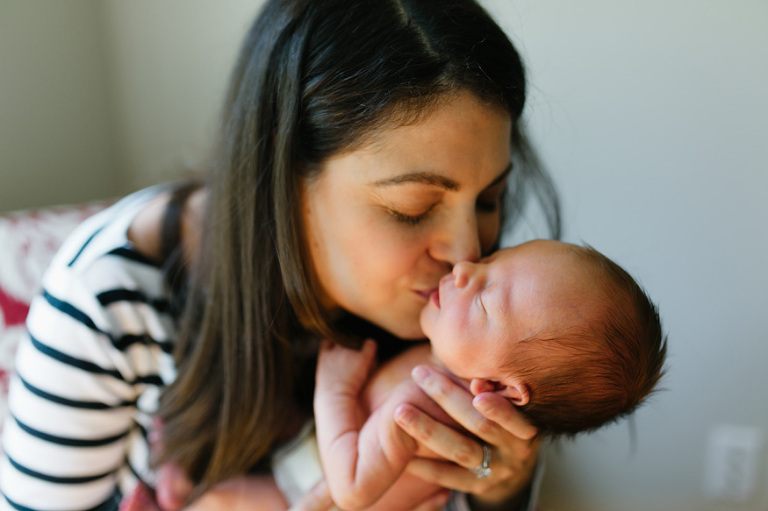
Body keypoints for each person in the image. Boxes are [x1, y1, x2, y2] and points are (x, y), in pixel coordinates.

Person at [0, 0, 562, 510]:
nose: (468, 253)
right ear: (283, 171)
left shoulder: (472, 307)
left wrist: (501, 488)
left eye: (489, 199)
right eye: (412, 208)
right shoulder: (108, 298)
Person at [306, 240, 667, 510]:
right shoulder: (441, 356)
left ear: (496, 386)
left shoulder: (424, 403)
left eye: (483, 300)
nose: (463, 268)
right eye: (491, 261)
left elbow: (351, 488)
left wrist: (334, 390)